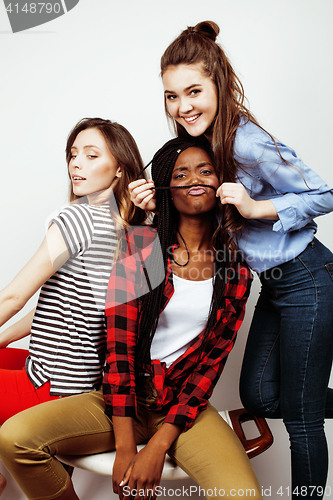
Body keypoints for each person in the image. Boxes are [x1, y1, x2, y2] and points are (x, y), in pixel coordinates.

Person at [128, 21, 333, 500]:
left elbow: (324, 192)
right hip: (276, 284)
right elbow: (191, 210)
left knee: (302, 420)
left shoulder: (245, 142)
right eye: (172, 97)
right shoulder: (208, 146)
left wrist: (256, 207)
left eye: (194, 91)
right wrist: (151, 206)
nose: (183, 107)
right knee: (259, 395)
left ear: (218, 82)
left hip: (308, 275)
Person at [0, 137, 262, 500]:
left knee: (243, 495)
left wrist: (157, 446)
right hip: (120, 401)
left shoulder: (236, 268)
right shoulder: (142, 248)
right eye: (180, 173)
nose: (194, 180)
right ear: (166, 189)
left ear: (222, 184)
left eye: (205, 171)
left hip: (183, 408)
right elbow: (117, 348)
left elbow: (210, 366)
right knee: (15, 440)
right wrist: (127, 448)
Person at [0, 117, 146, 495]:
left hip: (51, 384)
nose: (76, 164)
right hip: (81, 382)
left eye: (91, 155)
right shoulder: (138, 234)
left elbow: (14, 297)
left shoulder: (77, 218)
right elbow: (59, 311)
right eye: (72, 154)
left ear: (119, 169)